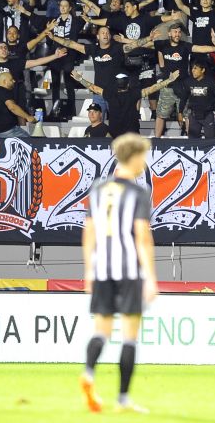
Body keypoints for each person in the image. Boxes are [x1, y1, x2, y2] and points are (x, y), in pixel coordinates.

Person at [80, 133, 160, 414]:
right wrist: (150, 277)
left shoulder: (98, 189)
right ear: (134, 157)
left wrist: (89, 270)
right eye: (143, 157)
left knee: (101, 331)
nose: (144, 163)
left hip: (102, 267)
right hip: (128, 269)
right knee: (129, 335)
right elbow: (143, 237)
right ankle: (123, 399)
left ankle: (88, 373)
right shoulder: (138, 193)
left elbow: (89, 232)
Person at [179, 59, 215, 138]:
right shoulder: (188, 82)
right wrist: (180, 113)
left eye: (195, 68)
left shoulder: (211, 82)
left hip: (208, 116)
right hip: (194, 116)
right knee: (192, 142)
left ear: (203, 70)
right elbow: (183, 98)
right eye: (192, 68)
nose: (193, 70)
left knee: (210, 141)